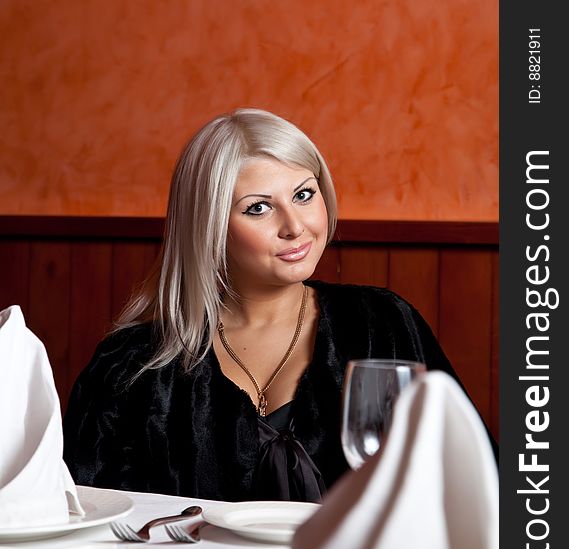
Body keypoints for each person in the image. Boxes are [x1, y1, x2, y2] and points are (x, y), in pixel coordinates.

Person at [63, 108, 479, 503]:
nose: (295, 226)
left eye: (303, 194)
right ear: (207, 226)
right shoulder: (132, 366)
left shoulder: (383, 324)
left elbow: (473, 477)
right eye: (258, 208)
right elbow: (89, 516)